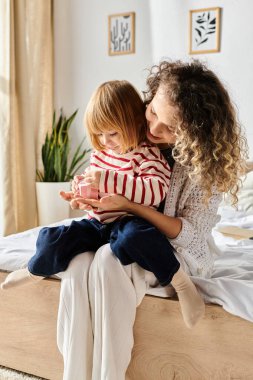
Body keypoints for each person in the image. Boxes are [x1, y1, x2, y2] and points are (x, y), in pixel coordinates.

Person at [54, 59, 247, 380]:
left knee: (106, 261)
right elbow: (107, 175)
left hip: (174, 251)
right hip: (124, 233)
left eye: (171, 127)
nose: (154, 129)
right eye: (154, 112)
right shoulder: (133, 133)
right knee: (76, 265)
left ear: (194, 132)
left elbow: (187, 235)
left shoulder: (203, 168)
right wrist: (90, 198)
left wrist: (130, 204)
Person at [1, 80, 172, 291]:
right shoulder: (101, 154)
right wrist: (82, 194)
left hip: (128, 223)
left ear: (136, 122)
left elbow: (154, 193)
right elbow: (96, 189)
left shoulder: (148, 154)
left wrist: (105, 179)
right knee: (53, 237)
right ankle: (34, 270)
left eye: (113, 133)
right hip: (97, 224)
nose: (106, 141)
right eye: (99, 134)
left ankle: (179, 282)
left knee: (139, 238)